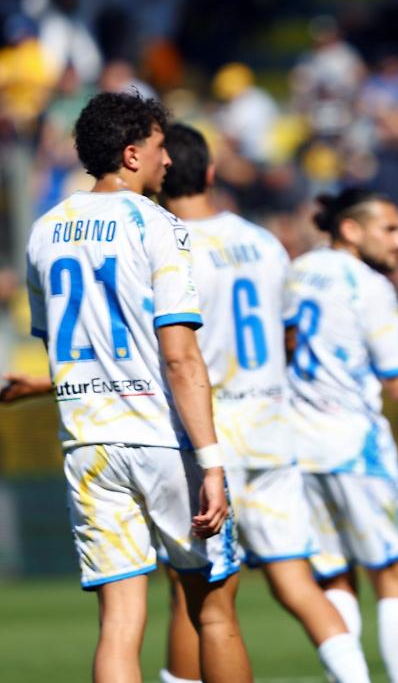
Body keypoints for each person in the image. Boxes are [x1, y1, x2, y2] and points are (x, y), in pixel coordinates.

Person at [22, 91, 251, 682]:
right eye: (158, 147)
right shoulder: (158, 224)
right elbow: (180, 357)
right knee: (214, 610)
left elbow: (65, 352)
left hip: (87, 444)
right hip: (161, 438)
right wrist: (213, 463)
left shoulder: (44, 231)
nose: (167, 160)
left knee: (120, 624)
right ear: (131, 154)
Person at [157, 123, 370, 683]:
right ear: (210, 172)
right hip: (272, 429)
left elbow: (173, 353)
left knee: (194, 593)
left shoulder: (165, 245)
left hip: (208, 438)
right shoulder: (262, 242)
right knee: (297, 581)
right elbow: (287, 334)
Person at [285, 187, 398, 683]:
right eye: (390, 229)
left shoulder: (295, 271)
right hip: (355, 446)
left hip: (298, 446)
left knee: (334, 577)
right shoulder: (368, 285)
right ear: (352, 230)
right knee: (391, 574)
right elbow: (397, 383)